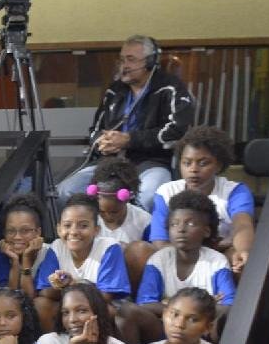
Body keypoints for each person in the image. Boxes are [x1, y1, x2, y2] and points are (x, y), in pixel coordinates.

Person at [58, 35, 196, 211]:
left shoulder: (170, 88)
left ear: (151, 61)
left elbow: (177, 130)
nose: (124, 66)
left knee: (149, 196)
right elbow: (95, 130)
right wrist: (102, 142)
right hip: (109, 163)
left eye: (131, 60)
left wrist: (129, 140)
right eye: (122, 60)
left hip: (151, 162)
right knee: (65, 191)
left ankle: (141, 238)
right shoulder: (114, 90)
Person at [149, 125, 256, 273]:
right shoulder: (166, 192)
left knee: (237, 259)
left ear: (219, 165)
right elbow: (160, 242)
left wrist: (243, 251)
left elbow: (242, 225)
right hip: (176, 258)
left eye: (203, 163)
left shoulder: (234, 191)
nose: (193, 169)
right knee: (140, 251)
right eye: (187, 163)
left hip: (219, 258)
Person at [33, 193, 132, 332]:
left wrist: (72, 284)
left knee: (110, 312)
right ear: (59, 229)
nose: (73, 232)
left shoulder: (108, 248)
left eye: (83, 226)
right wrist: (58, 285)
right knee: (40, 304)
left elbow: (105, 296)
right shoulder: (57, 247)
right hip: (69, 309)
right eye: (67, 225)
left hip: (99, 308)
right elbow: (44, 292)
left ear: (96, 230)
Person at [136, 191, 236, 316]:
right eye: (174, 224)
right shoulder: (159, 260)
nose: (181, 229)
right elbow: (144, 303)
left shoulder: (217, 262)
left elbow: (228, 305)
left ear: (206, 231)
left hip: (202, 327)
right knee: (128, 311)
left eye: (190, 223)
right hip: (164, 325)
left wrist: (168, 304)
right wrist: (203, 307)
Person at [89, 156, 154, 290]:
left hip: (129, 278)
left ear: (126, 199)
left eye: (114, 212)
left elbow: (151, 257)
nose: (107, 216)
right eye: (102, 211)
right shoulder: (89, 217)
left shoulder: (144, 220)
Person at [0, 194, 46, 298]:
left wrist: (26, 258)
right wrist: (15, 262)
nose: (17, 237)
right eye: (11, 231)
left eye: (25, 230)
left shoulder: (48, 253)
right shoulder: (4, 253)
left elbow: (29, 298)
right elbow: (9, 299)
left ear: (38, 232)